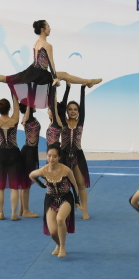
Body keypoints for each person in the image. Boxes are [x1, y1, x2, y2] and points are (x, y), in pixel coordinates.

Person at [0, 20, 101, 109]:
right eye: (48, 27)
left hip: (31, 70)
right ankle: (88, 81)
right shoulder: (47, 45)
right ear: (43, 29)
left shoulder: (36, 43)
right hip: (41, 74)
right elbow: (51, 64)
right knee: (65, 75)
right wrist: (55, 78)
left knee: (7, 78)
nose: (50, 29)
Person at [29, 143, 80, 258]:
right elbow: (31, 175)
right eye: (49, 156)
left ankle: (62, 247)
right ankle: (58, 244)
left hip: (66, 197)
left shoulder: (66, 170)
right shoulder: (43, 170)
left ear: (59, 157)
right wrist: (42, 185)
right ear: (46, 156)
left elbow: (74, 185)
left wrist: (77, 201)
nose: (51, 159)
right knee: (52, 232)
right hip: (50, 199)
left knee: (60, 219)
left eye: (54, 156)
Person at [0, 82, 22, 221]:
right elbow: (16, 104)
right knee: (14, 187)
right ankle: (14, 214)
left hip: (1, 153)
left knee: (0, 187)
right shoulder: (14, 120)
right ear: (9, 109)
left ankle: (0, 213)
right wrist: (12, 87)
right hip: (14, 153)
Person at [60, 82, 91, 219]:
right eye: (70, 109)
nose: (73, 111)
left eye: (75, 109)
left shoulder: (80, 122)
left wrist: (82, 89)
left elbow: (83, 106)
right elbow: (62, 105)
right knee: (64, 185)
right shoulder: (63, 121)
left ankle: (84, 211)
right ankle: (64, 211)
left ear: (78, 112)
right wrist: (67, 88)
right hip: (63, 155)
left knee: (80, 184)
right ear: (67, 111)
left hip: (78, 155)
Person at [18, 103, 40, 218]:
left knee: (24, 183)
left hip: (29, 151)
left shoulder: (28, 118)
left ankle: (22, 209)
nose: (35, 105)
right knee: (26, 183)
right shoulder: (28, 117)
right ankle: (26, 211)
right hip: (29, 153)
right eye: (33, 104)